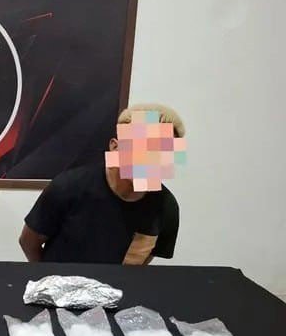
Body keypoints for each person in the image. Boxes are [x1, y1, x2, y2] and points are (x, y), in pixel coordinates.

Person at [19, 104, 185, 265]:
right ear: (115, 146)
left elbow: (144, 260)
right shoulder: (68, 187)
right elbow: (28, 242)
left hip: (117, 285)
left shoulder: (166, 206)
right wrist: (49, 277)